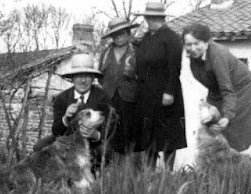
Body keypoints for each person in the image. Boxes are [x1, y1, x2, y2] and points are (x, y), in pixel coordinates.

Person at [182, 23, 251, 151]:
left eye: (197, 43)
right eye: (189, 44)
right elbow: (208, 82)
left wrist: (227, 116)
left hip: (240, 88)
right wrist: (207, 105)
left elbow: (227, 90)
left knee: (232, 127)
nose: (193, 48)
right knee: (212, 124)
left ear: (206, 43)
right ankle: (217, 163)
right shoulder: (193, 58)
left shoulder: (218, 55)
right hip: (217, 89)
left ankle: (236, 163)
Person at [133, 2, 187, 170]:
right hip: (147, 96)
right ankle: (149, 174)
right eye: (148, 18)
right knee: (149, 136)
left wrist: (169, 92)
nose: (151, 21)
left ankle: (168, 173)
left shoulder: (171, 38)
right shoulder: (146, 38)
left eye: (155, 18)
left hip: (166, 96)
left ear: (162, 18)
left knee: (168, 137)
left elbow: (175, 68)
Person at [33, 53, 110, 152]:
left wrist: (96, 135)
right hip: (68, 141)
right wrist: (65, 118)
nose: (83, 80)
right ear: (72, 79)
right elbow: (56, 132)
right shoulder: (61, 98)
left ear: (93, 78)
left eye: (87, 76)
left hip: (93, 143)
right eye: (78, 76)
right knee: (40, 147)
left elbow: (110, 127)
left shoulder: (103, 97)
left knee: (105, 151)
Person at [99, 17, 139, 155]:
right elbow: (100, 77)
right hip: (109, 99)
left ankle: (126, 171)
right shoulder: (105, 53)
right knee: (108, 134)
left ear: (128, 33)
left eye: (122, 33)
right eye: (115, 34)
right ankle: (108, 169)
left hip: (129, 100)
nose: (119, 37)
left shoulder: (136, 51)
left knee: (128, 136)